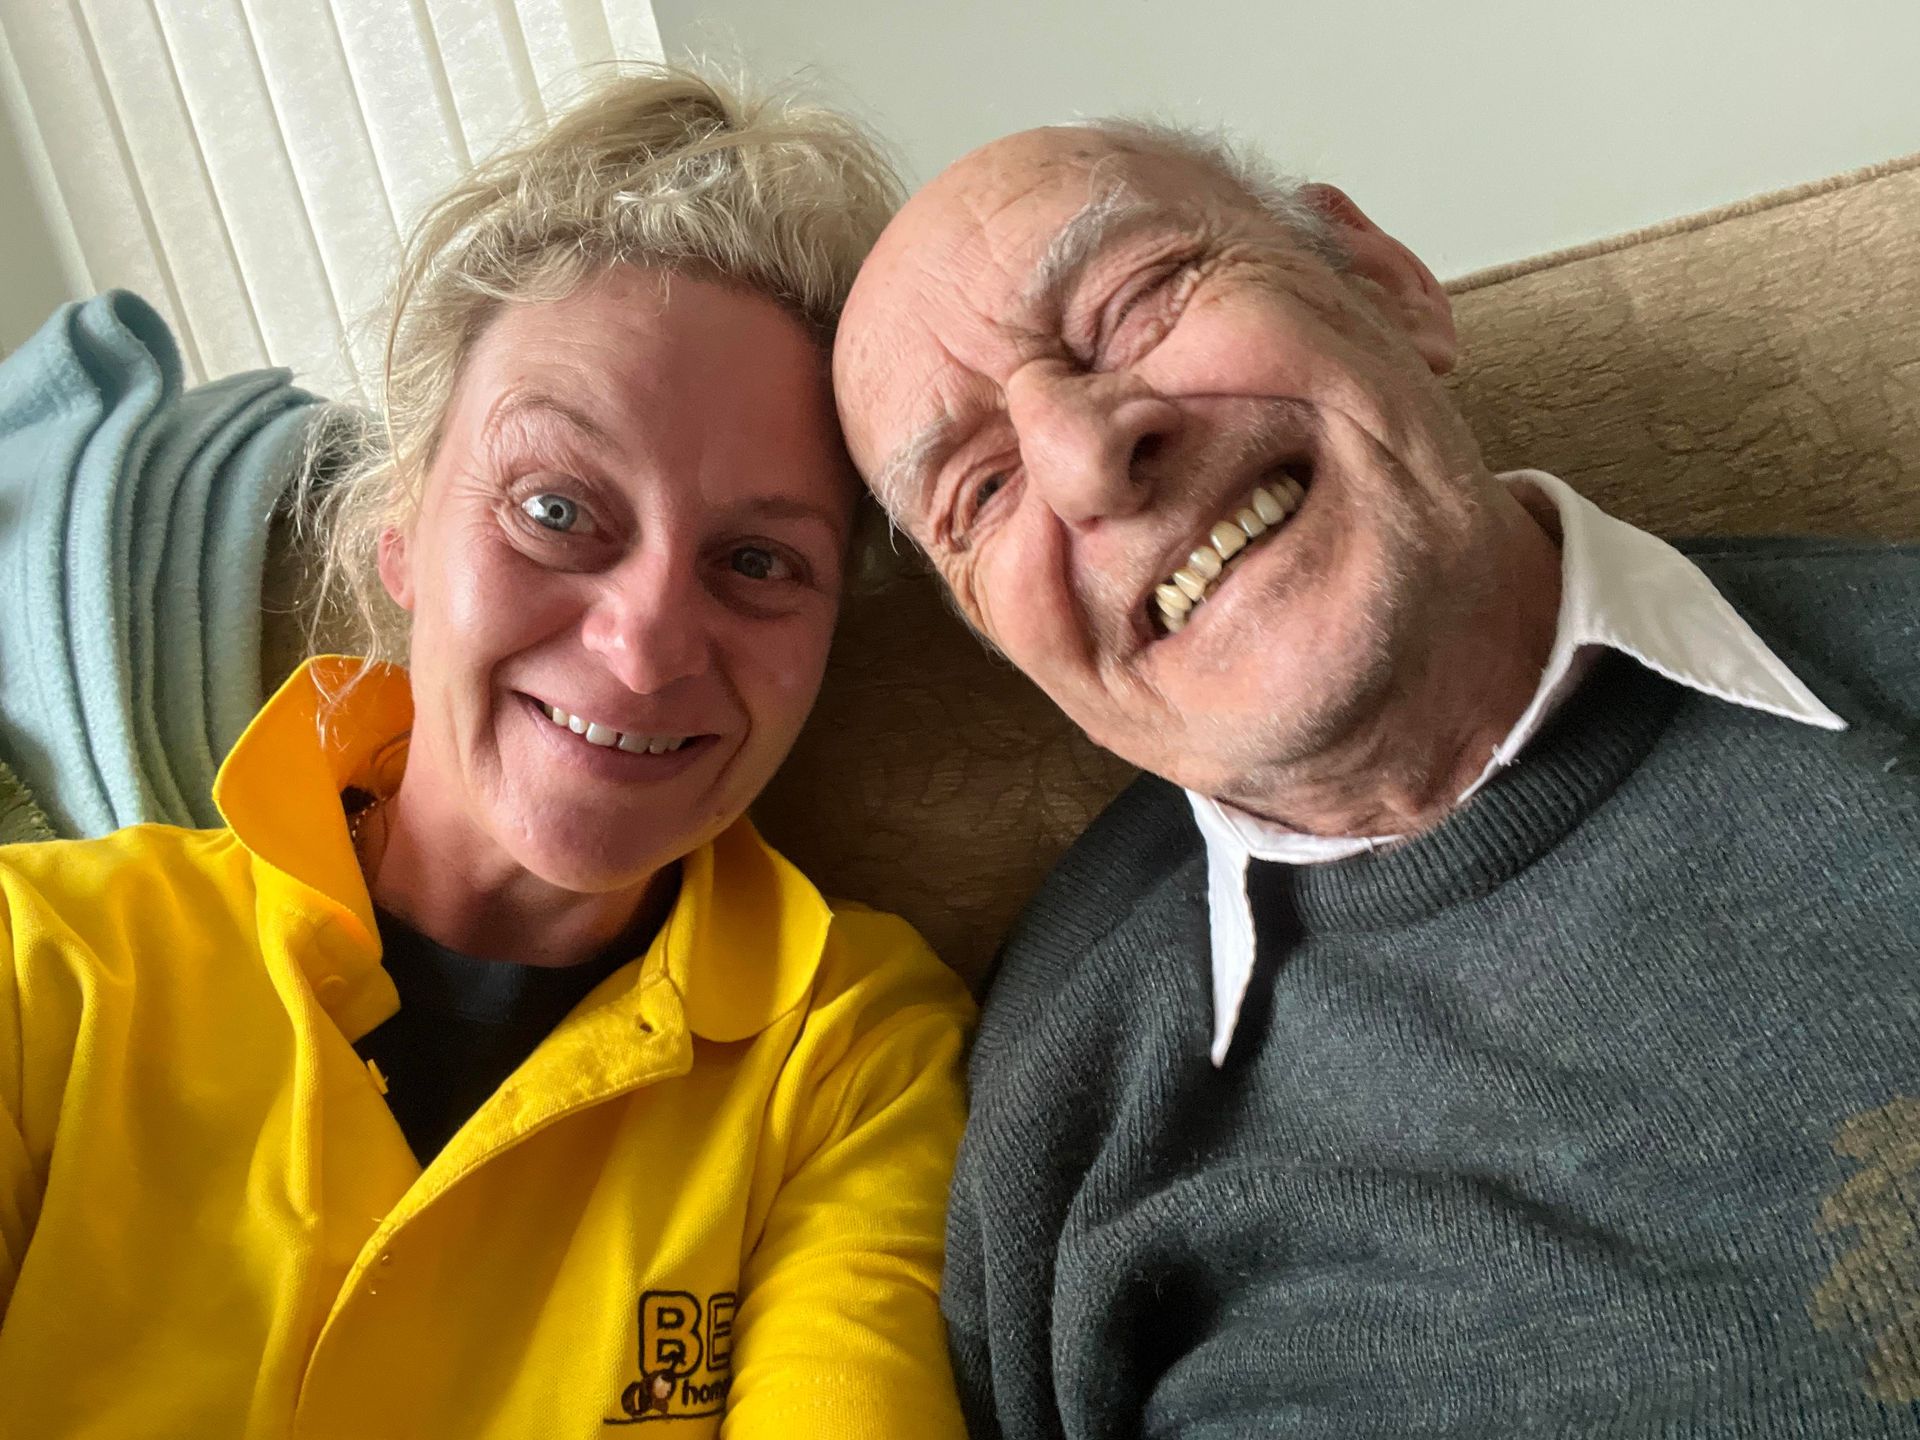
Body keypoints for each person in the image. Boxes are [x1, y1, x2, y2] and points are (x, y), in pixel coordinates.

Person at [831, 120, 1920, 1438]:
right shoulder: (1044, 1095)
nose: (1083, 461)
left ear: (1384, 281)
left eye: (1136, 302)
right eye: (981, 488)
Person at [0, 68, 973, 1439]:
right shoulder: (44, 970)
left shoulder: (855, 1054)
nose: (644, 648)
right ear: (397, 532)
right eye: (557, 508)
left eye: (758, 561)